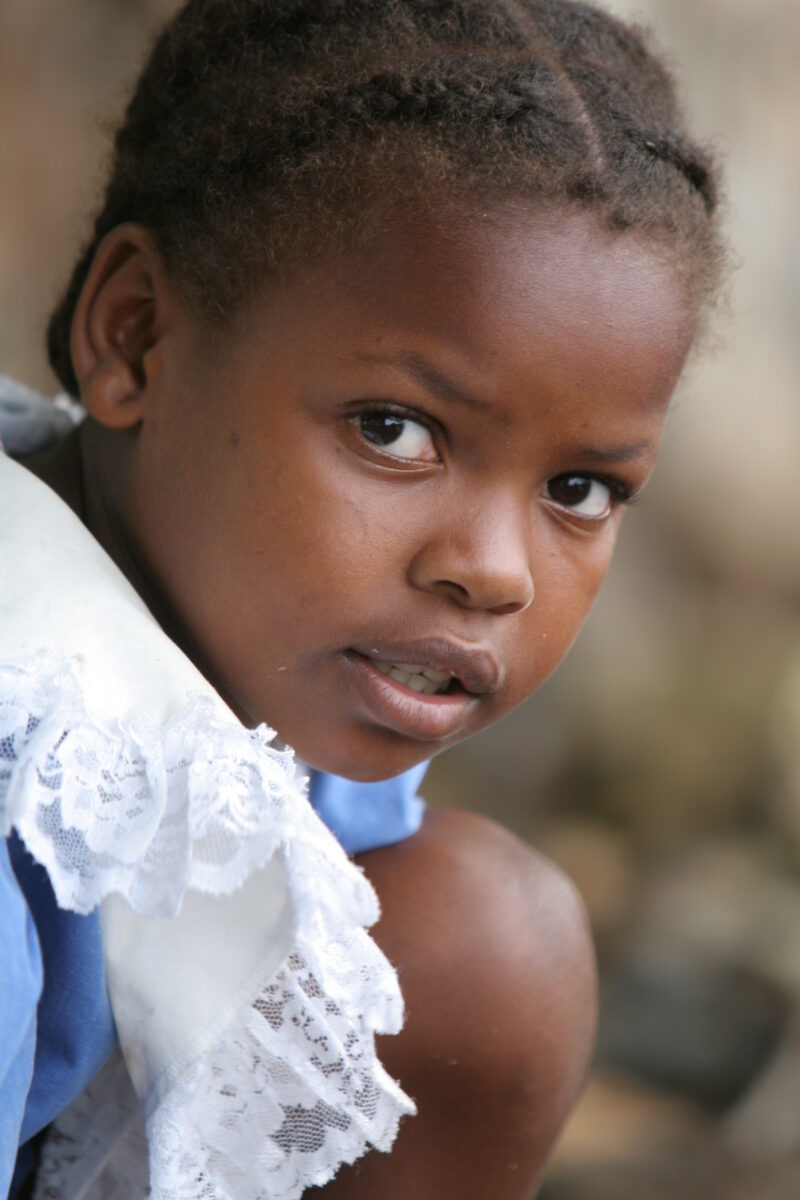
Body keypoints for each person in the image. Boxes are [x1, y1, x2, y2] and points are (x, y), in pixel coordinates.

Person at [0, 0, 725, 1196]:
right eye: (392, 430)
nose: (494, 571)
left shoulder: (244, 677)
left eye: (579, 489)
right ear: (133, 339)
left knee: (488, 943)